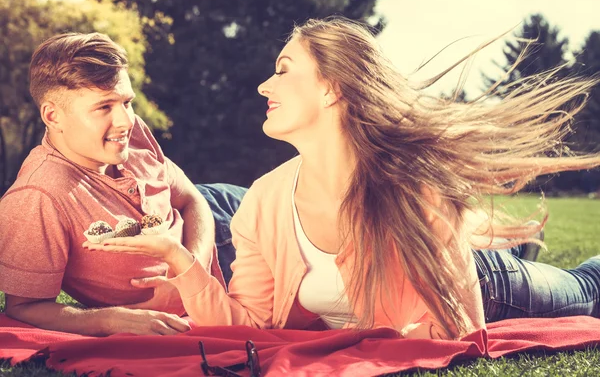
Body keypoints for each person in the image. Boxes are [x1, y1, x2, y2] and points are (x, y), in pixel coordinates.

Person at [86, 17, 600, 340]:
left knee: (587, 287)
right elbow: (252, 328)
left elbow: (462, 332)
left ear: (332, 90)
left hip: (493, 288)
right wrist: (177, 258)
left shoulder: (413, 186)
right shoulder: (263, 203)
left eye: (284, 69)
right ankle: (512, 246)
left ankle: (510, 256)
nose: (265, 84)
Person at [0, 32, 245, 336]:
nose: (126, 121)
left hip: (227, 214)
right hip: (236, 268)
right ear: (53, 116)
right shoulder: (38, 197)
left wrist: (190, 273)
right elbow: (23, 306)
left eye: (127, 102)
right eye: (104, 107)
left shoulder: (129, 130)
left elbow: (193, 200)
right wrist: (112, 319)